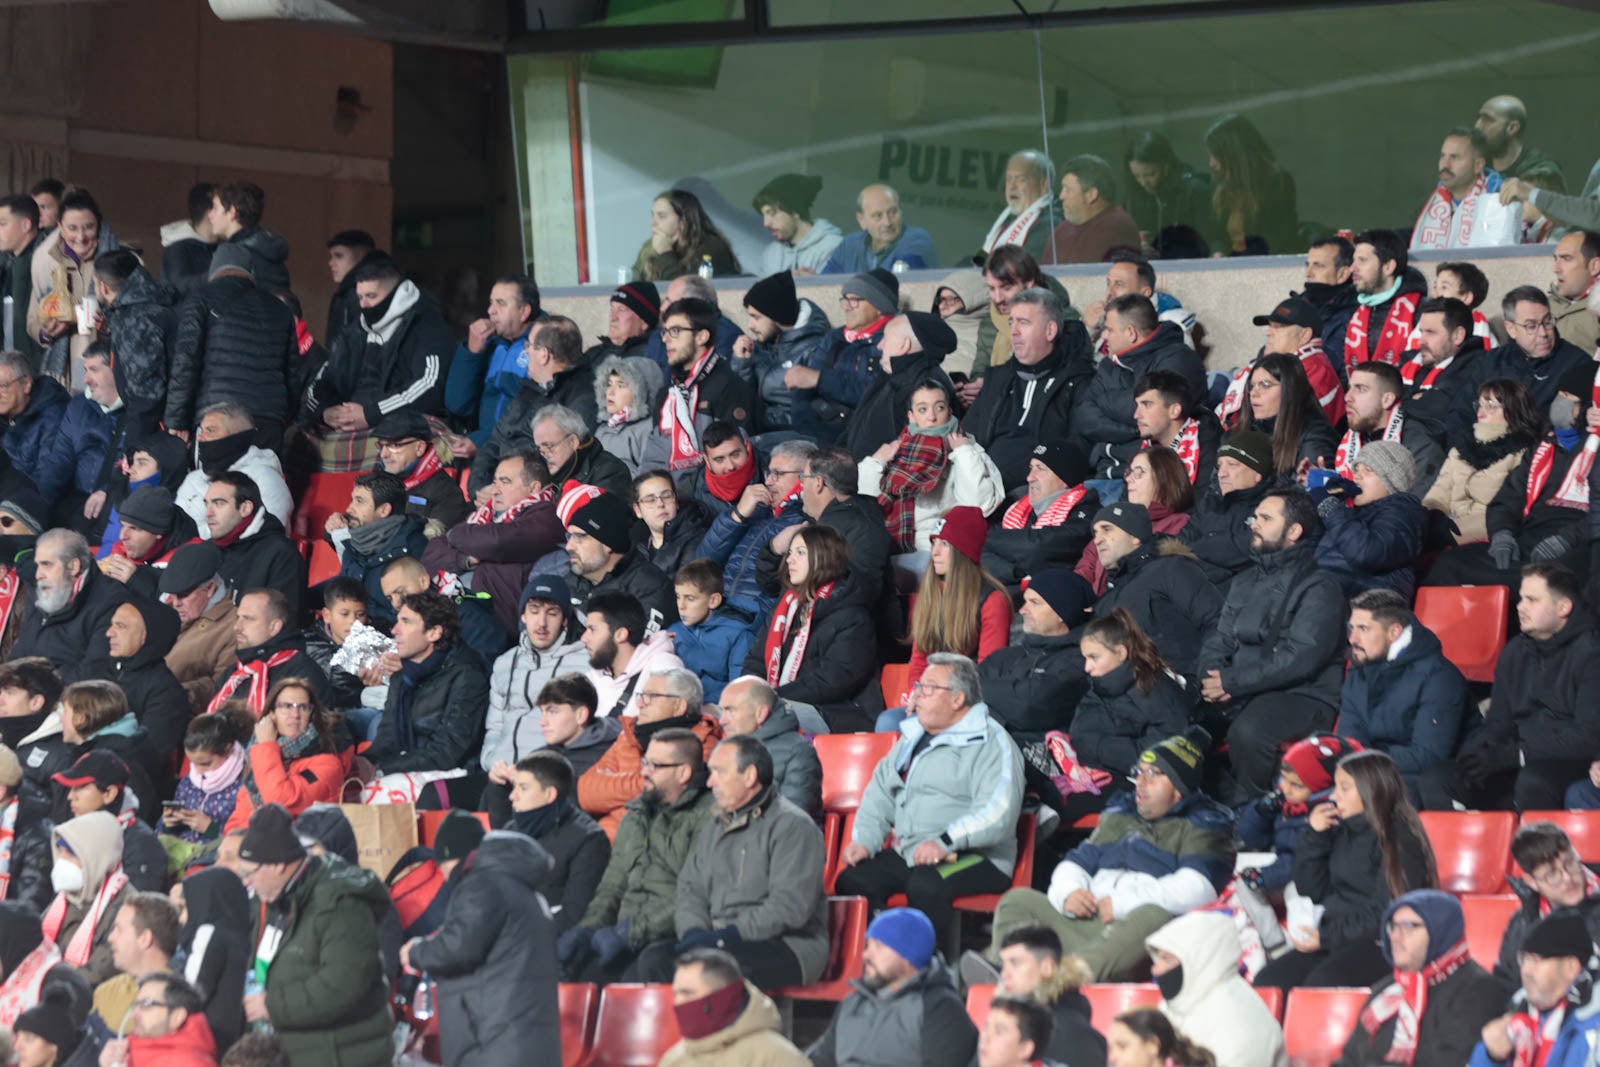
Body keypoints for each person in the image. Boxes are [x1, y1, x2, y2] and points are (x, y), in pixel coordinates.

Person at [976, 727, 1232, 983]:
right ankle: (1007, 976)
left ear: (1178, 787)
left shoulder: (1204, 823)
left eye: (1153, 775)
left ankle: (1060, 982)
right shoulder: (1122, 812)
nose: (1140, 782)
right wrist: (1068, 893)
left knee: (1153, 915)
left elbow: (1199, 887)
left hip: (1131, 938)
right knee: (1018, 901)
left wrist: (1121, 904)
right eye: (1139, 773)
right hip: (1087, 920)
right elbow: (1077, 862)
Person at [837, 654, 1024, 934]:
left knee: (926, 884)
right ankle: (880, 959)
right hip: (912, 851)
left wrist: (945, 841)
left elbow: (999, 811)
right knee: (854, 881)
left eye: (929, 688)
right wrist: (865, 841)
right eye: (918, 687)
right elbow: (879, 794)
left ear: (958, 699)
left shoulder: (992, 740)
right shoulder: (912, 738)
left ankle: (927, 970)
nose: (917, 696)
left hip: (975, 855)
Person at [636, 735, 826, 988]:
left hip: (787, 945)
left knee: (714, 972)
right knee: (654, 959)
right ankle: (679, 1028)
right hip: (717, 939)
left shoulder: (794, 826)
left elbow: (790, 908)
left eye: (719, 772)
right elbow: (690, 889)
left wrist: (725, 937)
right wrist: (694, 933)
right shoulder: (715, 824)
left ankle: (726, 1028)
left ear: (749, 776)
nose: (710, 781)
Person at [1197, 489, 1347, 801]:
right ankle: (1204, 809)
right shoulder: (1244, 581)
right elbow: (1220, 638)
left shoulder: (1320, 586)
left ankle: (1252, 812)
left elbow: (1301, 658)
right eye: (1256, 517)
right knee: (1181, 718)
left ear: (1294, 531)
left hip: (1303, 694)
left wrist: (1233, 682)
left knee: (1249, 732)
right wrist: (1210, 676)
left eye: (1266, 518)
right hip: (1243, 687)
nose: (1254, 523)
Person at [1256, 751, 1437, 990]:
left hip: (1382, 942)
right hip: (1337, 936)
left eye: (1344, 788)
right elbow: (1311, 889)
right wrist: (1314, 837)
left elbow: (1390, 913)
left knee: (1321, 984)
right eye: (1336, 787)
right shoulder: (1340, 830)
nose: (1334, 796)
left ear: (1370, 791)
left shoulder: (1399, 839)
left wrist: (1329, 936)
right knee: (1268, 981)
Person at [1430, 563, 1600, 810]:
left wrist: (1516, 754)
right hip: (1517, 755)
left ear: (1563, 607)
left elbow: (1587, 736)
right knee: (1439, 778)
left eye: (1532, 600)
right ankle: (1479, 844)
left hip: (1568, 760)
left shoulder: (1591, 654)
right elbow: (1499, 721)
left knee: (1533, 782)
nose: (1520, 607)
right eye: (1521, 598)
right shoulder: (1515, 651)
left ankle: (1535, 846)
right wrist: (1482, 750)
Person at [236, 803, 393, 1067]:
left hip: (341, 1055)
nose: (245, 882)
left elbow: (343, 985)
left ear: (277, 865)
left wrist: (272, 1006)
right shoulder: (274, 898)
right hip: (293, 1050)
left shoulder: (340, 904)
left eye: (249, 873)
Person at [562, 728, 715, 981]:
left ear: (684, 772)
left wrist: (628, 933)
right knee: (568, 968)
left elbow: (695, 896)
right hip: (625, 934)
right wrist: (587, 930)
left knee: (638, 972)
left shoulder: (709, 817)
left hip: (673, 937)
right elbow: (612, 887)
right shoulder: (634, 815)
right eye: (645, 762)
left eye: (655, 766)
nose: (643, 771)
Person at [401, 829, 560, 1067]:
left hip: (492, 1041)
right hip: (528, 1043)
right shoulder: (532, 897)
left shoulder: (486, 886)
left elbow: (458, 946)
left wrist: (415, 952)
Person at [1426, 363, 1593, 590]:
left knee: (1548, 583)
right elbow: (1508, 498)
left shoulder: (1594, 451)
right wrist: (1502, 534)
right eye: (1559, 395)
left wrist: (1566, 540)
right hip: (1527, 538)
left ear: (1589, 408)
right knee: (1449, 565)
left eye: (1570, 398)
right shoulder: (1544, 448)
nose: (1560, 403)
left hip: (1576, 548)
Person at [305, 254, 453, 450]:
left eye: (372, 296)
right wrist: (325, 412)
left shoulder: (426, 328)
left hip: (399, 423)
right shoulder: (353, 332)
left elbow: (429, 385)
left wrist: (371, 414)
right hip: (350, 425)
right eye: (360, 297)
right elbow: (322, 380)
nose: (364, 305)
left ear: (396, 294)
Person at [744, 524, 881, 733]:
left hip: (838, 712)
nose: (789, 559)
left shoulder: (853, 615)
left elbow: (835, 679)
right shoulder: (784, 609)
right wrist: (749, 691)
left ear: (823, 557)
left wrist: (773, 697)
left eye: (800, 552)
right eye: (789, 553)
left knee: (763, 716)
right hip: (784, 701)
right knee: (723, 712)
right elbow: (756, 660)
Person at [1066, 609, 1197, 822]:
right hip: (1110, 771)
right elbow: (1080, 730)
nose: (1087, 667)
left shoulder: (1157, 692)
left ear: (1121, 652)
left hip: (1147, 783)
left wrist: (1099, 746)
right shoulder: (1101, 684)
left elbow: (1163, 754)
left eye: (1094, 657)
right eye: (1085, 658)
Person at [807, 906, 977, 1067]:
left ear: (908, 957)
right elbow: (819, 1060)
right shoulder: (853, 1003)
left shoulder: (941, 1009)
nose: (866, 955)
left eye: (879, 947)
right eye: (868, 945)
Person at [1339, 589, 1472, 791]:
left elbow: (1428, 757)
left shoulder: (1439, 676)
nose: (1353, 639)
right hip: (1378, 770)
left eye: (1364, 629)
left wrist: (1365, 757)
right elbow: (1349, 741)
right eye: (1352, 628)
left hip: (1436, 781)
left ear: (1394, 632)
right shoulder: (1359, 672)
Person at [963, 287, 1094, 492]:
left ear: (1050, 330)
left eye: (1023, 323)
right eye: (1011, 322)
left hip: (1035, 491)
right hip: (981, 485)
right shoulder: (998, 378)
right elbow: (968, 435)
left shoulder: (1077, 382)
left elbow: (1077, 450)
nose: (1013, 332)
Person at [164, 246, 297, 448]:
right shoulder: (280, 309)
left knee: (219, 479)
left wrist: (176, 420)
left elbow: (185, 362)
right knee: (260, 478)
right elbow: (293, 374)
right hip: (269, 421)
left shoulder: (201, 299)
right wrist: (284, 418)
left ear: (214, 270)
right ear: (251, 272)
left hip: (217, 418)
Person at [422, 450, 563, 635]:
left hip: (494, 623)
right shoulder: (483, 517)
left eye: (505, 482)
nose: (495, 490)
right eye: (495, 481)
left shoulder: (546, 516)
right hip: (456, 611)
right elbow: (431, 554)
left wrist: (458, 536)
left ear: (534, 488)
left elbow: (499, 541)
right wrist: (465, 559)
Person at [859, 379, 1004, 558]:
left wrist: (964, 452)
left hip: (938, 547)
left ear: (950, 412)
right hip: (890, 542)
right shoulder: (897, 449)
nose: (932, 417)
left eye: (939, 407)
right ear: (911, 416)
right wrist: (875, 463)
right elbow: (866, 506)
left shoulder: (968, 449)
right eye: (922, 409)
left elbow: (980, 506)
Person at [578, 665, 720, 838]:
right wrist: (648, 781)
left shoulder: (704, 743)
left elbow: (672, 799)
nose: (639, 704)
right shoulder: (628, 736)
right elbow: (586, 792)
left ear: (679, 706)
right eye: (641, 696)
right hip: (607, 840)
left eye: (650, 696)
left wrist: (615, 795)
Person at [1076, 294, 1206, 481]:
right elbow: (1084, 417)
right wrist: (1135, 431)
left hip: (1150, 479)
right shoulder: (1109, 365)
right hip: (1101, 475)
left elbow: (1155, 412)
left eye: (1109, 330)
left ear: (1131, 332)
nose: (1103, 335)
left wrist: (1104, 400)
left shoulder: (1178, 359)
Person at [366, 592, 489, 787]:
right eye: (397, 621)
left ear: (434, 633)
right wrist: (362, 762)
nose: (394, 630)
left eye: (406, 622)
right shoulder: (403, 677)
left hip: (454, 780)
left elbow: (447, 753)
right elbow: (386, 738)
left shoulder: (467, 675)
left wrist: (382, 769)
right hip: (409, 771)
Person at [479, 577, 588, 795]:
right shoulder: (505, 663)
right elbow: (495, 726)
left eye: (552, 613)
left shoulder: (584, 663)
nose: (542, 623)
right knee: (435, 795)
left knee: (497, 800)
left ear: (565, 619)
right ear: (523, 615)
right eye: (534, 611)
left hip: (549, 776)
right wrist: (493, 762)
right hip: (501, 772)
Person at [1089, 503, 1221, 681]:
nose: (1097, 539)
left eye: (1106, 529)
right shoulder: (1105, 602)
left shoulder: (1171, 569)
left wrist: (1209, 673)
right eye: (1095, 533)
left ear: (1135, 536)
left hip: (1186, 687)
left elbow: (1216, 620)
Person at [469, 319, 603, 493]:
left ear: (544, 354)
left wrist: (504, 490)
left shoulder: (583, 396)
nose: (525, 350)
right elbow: (494, 443)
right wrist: (479, 489)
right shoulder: (529, 388)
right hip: (502, 492)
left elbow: (560, 459)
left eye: (529, 345)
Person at [1145, 911, 1288, 1067]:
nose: (1155, 969)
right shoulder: (1179, 1002)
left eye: (1167, 959)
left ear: (1200, 961)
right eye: (1158, 958)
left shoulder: (1240, 1029)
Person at [978, 570, 1092, 758]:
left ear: (1062, 612)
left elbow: (1028, 705)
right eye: (1025, 601)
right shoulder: (1007, 656)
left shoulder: (1081, 660)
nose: (1022, 610)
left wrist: (978, 693)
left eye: (1035, 603)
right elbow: (967, 687)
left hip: (1034, 764)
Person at [696, 439, 814, 617]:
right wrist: (738, 515)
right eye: (769, 473)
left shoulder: (806, 520)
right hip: (718, 608)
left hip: (756, 617)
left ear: (805, 476)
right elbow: (702, 561)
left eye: (778, 474)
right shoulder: (754, 509)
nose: (768, 481)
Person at [1468, 910, 1600, 1067]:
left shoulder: (1592, 1027)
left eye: (1536, 960)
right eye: (1524, 959)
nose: (1526, 971)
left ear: (1570, 967)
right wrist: (1492, 1057)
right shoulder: (1517, 1011)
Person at [900, 507, 1011, 691]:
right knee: (889, 719)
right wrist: (918, 692)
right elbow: (919, 661)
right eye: (934, 543)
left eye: (944, 544)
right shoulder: (931, 592)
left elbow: (987, 672)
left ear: (963, 551)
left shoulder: (993, 600)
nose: (934, 552)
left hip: (967, 700)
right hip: (931, 696)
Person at [1423, 377, 1541, 545]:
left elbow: (1509, 508)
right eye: (1479, 404)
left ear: (1513, 409)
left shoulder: (1524, 454)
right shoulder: (1461, 448)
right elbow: (1439, 492)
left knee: (1432, 538)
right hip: (1450, 518)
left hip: (1491, 524)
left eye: (1491, 405)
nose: (1481, 411)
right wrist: (1426, 515)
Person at [643, 298, 756, 472]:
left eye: (675, 331)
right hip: (668, 494)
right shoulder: (668, 393)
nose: (665, 339)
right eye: (664, 331)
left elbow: (734, 464)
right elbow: (654, 457)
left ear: (702, 336)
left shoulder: (729, 387)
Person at [784, 272, 894, 448]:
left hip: (862, 437)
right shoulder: (834, 338)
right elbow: (804, 389)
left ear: (879, 306)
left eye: (855, 300)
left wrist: (819, 379)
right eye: (845, 299)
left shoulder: (890, 339)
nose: (847, 307)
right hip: (816, 432)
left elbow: (876, 392)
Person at [224, 678, 347, 832]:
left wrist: (267, 746)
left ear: (311, 714)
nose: (295, 714)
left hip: (293, 850)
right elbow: (240, 816)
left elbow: (280, 802)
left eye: (302, 707)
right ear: (272, 714)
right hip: (250, 846)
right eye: (287, 706)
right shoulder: (256, 755)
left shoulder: (328, 764)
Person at [505, 750, 608, 932]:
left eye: (523, 788)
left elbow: (576, 914)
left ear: (549, 794)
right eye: (514, 787)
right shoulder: (511, 830)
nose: (513, 796)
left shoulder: (588, 840)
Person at [1215, 293, 1347, 433]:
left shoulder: (1317, 371)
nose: (1268, 333)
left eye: (1278, 327)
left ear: (1304, 335)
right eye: (1270, 326)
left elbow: (1289, 429)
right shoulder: (1276, 364)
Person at [13, 529, 132, 679]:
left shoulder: (110, 602)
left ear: (73, 567)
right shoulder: (43, 591)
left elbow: (93, 674)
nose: (38, 575)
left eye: (47, 565)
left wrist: (35, 684)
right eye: (38, 565)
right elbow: (21, 651)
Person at [1315, 440, 1428, 598]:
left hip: (1368, 609)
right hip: (1327, 595)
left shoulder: (1404, 512)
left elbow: (1366, 553)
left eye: (1368, 470)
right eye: (1356, 470)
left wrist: (1330, 508)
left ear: (1392, 481)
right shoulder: (1354, 513)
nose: (1357, 477)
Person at [1077, 446, 1196, 596]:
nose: (1128, 479)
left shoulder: (1181, 525)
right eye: (1129, 472)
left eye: (1139, 473)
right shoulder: (1110, 523)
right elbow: (1084, 571)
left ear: (1164, 477)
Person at [844, 311, 961, 463]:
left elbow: (922, 457)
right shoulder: (894, 375)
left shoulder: (923, 388)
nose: (880, 345)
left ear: (904, 345)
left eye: (886, 338)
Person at [660, 948, 808, 1067]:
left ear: (720, 998)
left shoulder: (777, 1058)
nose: (677, 1003)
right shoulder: (674, 1060)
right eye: (676, 993)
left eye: (687, 993)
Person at [26, 188, 111, 392]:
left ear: (98, 226)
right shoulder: (46, 264)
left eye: (88, 227)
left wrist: (108, 325)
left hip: (106, 368)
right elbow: (32, 321)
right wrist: (46, 332)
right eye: (72, 228)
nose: (80, 237)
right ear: (60, 228)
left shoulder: (115, 260)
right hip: (61, 371)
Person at [443, 274, 543, 445]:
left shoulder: (542, 346)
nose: (491, 311)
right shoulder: (491, 345)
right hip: (483, 448)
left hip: (519, 451)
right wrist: (471, 352)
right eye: (491, 302)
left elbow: (530, 418)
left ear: (524, 311)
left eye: (501, 303)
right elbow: (457, 404)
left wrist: (480, 442)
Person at [1496, 823, 1600, 985]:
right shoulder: (1522, 924)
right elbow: (1507, 983)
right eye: (1552, 875)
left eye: (1570, 863)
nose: (1567, 878)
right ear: (1531, 882)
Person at [321, 472, 426, 628]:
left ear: (384, 510)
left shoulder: (413, 547)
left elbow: (416, 612)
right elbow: (342, 589)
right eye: (352, 500)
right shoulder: (353, 544)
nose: (349, 508)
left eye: (359, 501)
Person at [44, 810, 136, 986]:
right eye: (60, 852)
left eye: (71, 854)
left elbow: (98, 973)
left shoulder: (127, 907)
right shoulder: (67, 896)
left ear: (96, 858)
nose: (61, 861)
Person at [565, 491, 677, 635]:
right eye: (570, 536)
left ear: (608, 544)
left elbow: (646, 652)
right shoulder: (570, 581)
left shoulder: (649, 588)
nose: (569, 546)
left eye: (580, 536)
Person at [173, 404, 293, 538]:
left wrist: (195, 538)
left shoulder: (266, 479)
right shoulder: (194, 479)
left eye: (210, 430)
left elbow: (267, 535)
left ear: (237, 437)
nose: (200, 438)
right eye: (201, 431)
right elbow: (177, 527)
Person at [51, 750, 164, 891]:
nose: (70, 796)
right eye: (71, 788)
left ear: (109, 793)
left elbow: (137, 907)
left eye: (80, 787)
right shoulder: (73, 834)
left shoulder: (141, 843)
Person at [993, 925, 1105, 1067]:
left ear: (1046, 968)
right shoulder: (1007, 1020)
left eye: (1015, 963)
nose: (1004, 974)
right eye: (1003, 965)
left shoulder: (1072, 1035)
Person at [731, 272, 828, 433]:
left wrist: (756, 417)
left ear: (776, 316)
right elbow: (742, 395)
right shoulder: (768, 344)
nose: (750, 325)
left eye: (756, 317)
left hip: (793, 437)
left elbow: (806, 413)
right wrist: (742, 363)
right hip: (761, 427)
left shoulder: (814, 350)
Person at [90, 254, 175, 440]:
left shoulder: (134, 320)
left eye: (95, 284)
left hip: (155, 428)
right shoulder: (150, 304)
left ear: (103, 287)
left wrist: (133, 446)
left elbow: (146, 394)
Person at [1176, 433, 1276, 590]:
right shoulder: (1210, 503)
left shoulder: (1272, 508)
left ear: (1258, 473)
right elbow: (1180, 542)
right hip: (1191, 584)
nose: (1222, 473)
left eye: (1232, 464)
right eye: (1220, 465)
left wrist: (1191, 551)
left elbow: (1239, 550)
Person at [715, 676, 821, 823]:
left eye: (730, 710)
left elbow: (792, 819)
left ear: (760, 714)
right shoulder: (725, 750)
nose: (722, 721)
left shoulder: (798, 751)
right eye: (721, 711)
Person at [201, 473, 306, 620]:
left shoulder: (281, 554)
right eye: (207, 504)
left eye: (219, 503)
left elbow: (282, 622)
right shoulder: (205, 551)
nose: (208, 513)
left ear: (245, 508)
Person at [1336, 360, 1446, 499]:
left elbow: (1413, 511)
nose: (1347, 397)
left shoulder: (1419, 447)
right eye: (1349, 388)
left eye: (1361, 389)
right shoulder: (1354, 437)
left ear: (1387, 400)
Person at [207, 590, 327, 716]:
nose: (237, 626)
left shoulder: (302, 673)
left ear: (274, 627)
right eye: (238, 617)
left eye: (248, 619)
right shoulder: (232, 674)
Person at [967, 245, 1071, 385]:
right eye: (992, 289)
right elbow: (980, 370)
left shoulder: (1064, 319)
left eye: (1006, 288)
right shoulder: (989, 323)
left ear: (1029, 283)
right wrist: (977, 385)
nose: (998, 298)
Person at [577, 589, 683, 722]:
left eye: (592, 629)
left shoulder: (663, 668)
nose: (584, 638)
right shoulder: (591, 679)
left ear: (621, 634)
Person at [157, 546, 238, 717]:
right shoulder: (166, 611)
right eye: (173, 595)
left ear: (209, 589)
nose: (176, 603)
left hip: (181, 714)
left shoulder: (233, 627)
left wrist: (173, 693)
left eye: (184, 595)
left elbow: (222, 688)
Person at [1411, 127, 1521, 250]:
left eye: (1454, 157)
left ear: (1478, 166)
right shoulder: (1427, 205)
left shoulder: (1501, 201)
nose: (1445, 164)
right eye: (1443, 156)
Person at [1203, 114, 1298, 254]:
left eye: (1215, 155)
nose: (1211, 163)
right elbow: (1215, 234)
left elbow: (1279, 236)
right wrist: (1218, 252)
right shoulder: (1219, 186)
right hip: (1229, 267)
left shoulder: (1277, 182)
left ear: (1233, 154)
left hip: (1262, 267)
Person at [1489, 286, 1594, 411]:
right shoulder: (1491, 363)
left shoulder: (1577, 364)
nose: (1543, 333)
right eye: (1531, 326)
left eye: (1547, 321)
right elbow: (1464, 414)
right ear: (1511, 329)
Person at [1233, 354, 1338, 476]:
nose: (1254, 393)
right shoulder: (1244, 432)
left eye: (1265, 385)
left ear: (1290, 389)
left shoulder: (1316, 436)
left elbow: (1304, 490)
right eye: (1251, 386)